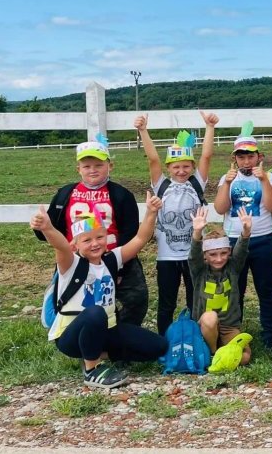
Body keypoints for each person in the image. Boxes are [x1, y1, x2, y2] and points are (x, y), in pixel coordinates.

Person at [31, 193, 168, 389]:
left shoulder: (111, 259)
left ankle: (97, 352)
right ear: (75, 244)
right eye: (86, 240)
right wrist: (48, 228)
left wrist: (151, 212)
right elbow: (60, 246)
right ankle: (92, 370)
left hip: (107, 331)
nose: (95, 243)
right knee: (95, 311)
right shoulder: (70, 263)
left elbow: (140, 238)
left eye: (100, 237)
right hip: (71, 337)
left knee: (158, 347)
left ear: (107, 237)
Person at [35, 134, 147, 326]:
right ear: (78, 169)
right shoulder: (66, 193)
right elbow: (52, 229)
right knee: (75, 301)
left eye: (99, 165)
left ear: (110, 166)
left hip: (115, 257)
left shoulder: (121, 194)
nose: (92, 170)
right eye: (87, 166)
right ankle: (79, 338)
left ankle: (121, 336)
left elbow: (130, 233)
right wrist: (40, 227)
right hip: (76, 261)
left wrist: (121, 268)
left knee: (136, 299)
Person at [134, 111, 218, 335]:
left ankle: (196, 338)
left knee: (195, 300)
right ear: (169, 168)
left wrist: (209, 128)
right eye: (176, 167)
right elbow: (153, 159)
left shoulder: (197, 184)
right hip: (167, 257)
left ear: (191, 167)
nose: (181, 171)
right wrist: (143, 131)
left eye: (186, 166)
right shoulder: (161, 185)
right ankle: (163, 342)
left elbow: (206, 157)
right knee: (166, 302)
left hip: (193, 256)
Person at [212, 123, 272, 348]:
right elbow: (220, 208)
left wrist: (264, 180)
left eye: (250, 156)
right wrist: (227, 183)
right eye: (241, 157)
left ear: (258, 157)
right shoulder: (227, 179)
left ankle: (271, 336)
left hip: (263, 239)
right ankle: (233, 335)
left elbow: (271, 206)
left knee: (266, 289)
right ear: (235, 159)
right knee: (235, 290)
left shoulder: (268, 177)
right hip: (234, 241)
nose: (246, 162)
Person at [190, 205, 254, 367]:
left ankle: (220, 354)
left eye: (223, 253)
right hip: (204, 327)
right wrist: (197, 233)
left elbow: (242, 249)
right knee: (210, 317)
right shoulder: (199, 270)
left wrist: (246, 231)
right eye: (213, 254)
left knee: (245, 357)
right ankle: (213, 353)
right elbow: (194, 254)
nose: (219, 259)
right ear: (205, 256)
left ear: (229, 251)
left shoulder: (233, 267)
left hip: (229, 328)